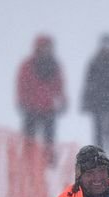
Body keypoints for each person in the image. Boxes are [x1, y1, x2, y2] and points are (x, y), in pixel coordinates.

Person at [16, 34, 66, 166]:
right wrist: (22, 100)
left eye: (48, 47)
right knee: (29, 139)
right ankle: (28, 163)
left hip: (48, 108)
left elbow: (59, 85)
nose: (46, 49)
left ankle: (49, 164)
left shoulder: (54, 66)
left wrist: (62, 100)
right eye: (43, 47)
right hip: (31, 108)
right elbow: (22, 84)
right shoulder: (28, 65)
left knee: (49, 140)